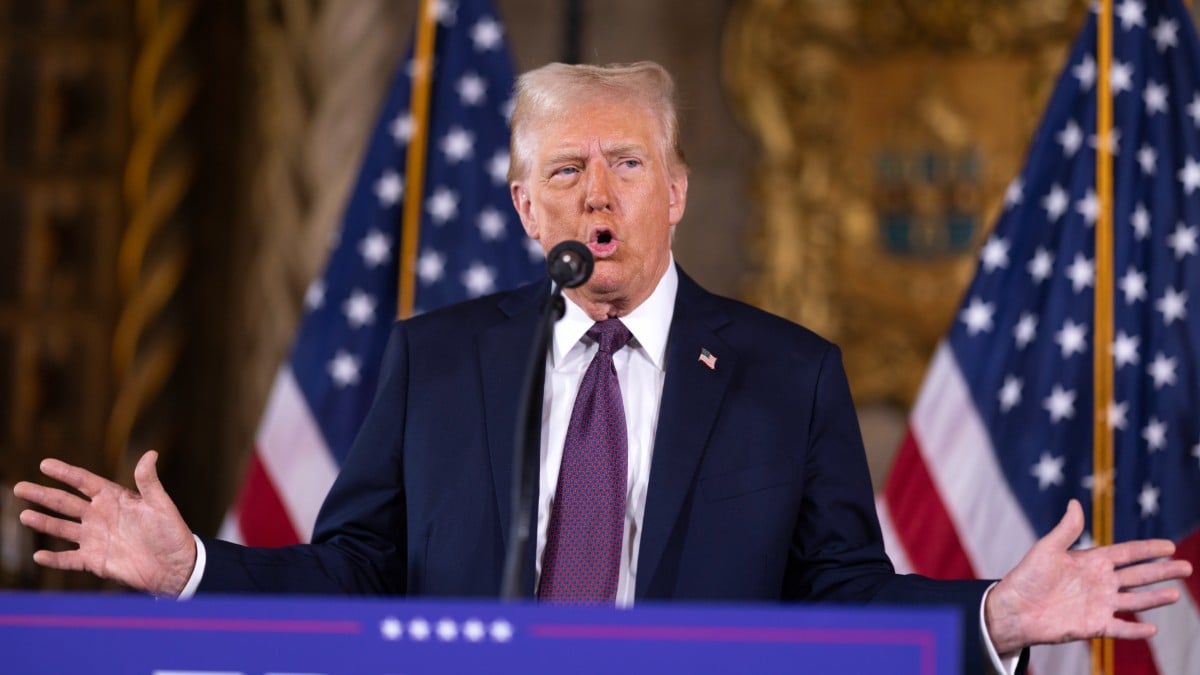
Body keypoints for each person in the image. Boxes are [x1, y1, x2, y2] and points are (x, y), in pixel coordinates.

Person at [13, 61, 1191, 673]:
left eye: (626, 162)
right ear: (528, 209)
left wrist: (1001, 613)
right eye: (565, 171)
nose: (597, 192)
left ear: (675, 193)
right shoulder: (440, 362)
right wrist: (194, 573)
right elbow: (361, 572)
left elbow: (842, 599)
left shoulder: (789, 375)